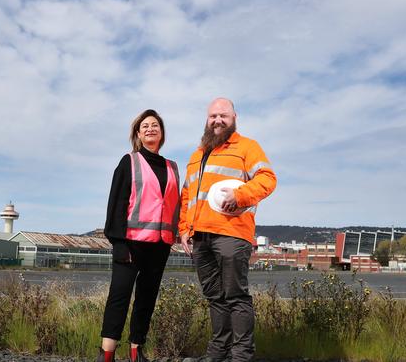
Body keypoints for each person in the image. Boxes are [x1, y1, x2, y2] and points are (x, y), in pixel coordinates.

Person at [179, 98, 277, 361]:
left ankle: (241, 354)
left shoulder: (247, 147)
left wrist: (241, 194)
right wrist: (185, 229)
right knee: (215, 297)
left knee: (235, 296)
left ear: (234, 117)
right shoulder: (197, 154)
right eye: (212, 116)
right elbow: (188, 195)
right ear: (206, 119)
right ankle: (218, 351)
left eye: (223, 115)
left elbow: (268, 179)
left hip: (232, 234)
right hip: (201, 236)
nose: (217, 120)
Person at [98, 109, 180, 362]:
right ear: (137, 134)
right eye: (144, 126)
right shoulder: (129, 161)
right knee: (119, 297)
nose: (150, 129)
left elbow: (176, 205)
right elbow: (117, 204)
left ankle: (137, 351)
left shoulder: (172, 167)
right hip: (131, 244)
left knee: (146, 298)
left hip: (160, 245)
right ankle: (107, 354)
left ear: (162, 133)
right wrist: (119, 243)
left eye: (155, 125)